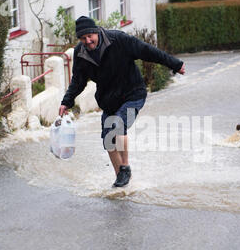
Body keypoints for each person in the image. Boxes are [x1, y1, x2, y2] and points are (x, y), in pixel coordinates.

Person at [59, 16, 185, 188]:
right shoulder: (81, 53)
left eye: (90, 36)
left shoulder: (119, 40)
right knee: (108, 140)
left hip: (133, 94)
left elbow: (148, 51)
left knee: (118, 124)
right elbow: (78, 81)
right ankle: (121, 179)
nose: (88, 41)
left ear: (96, 31)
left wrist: (175, 64)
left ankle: (125, 167)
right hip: (109, 99)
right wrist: (66, 101)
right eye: (83, 38)